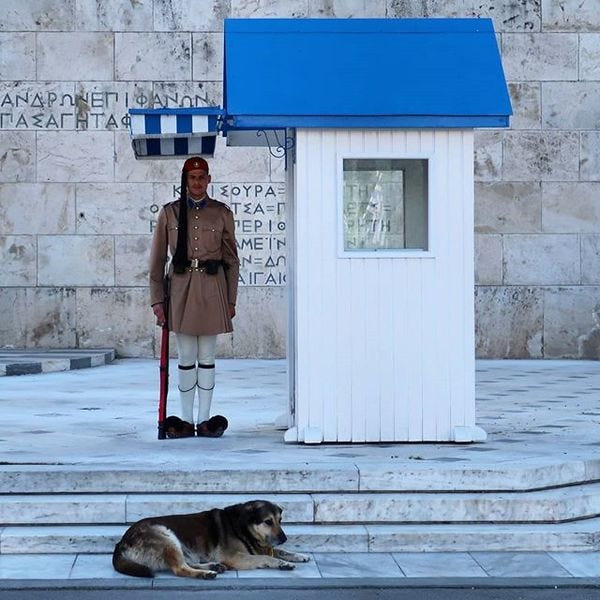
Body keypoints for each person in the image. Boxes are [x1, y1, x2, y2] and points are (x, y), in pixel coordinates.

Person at [149, 156, 239, 438]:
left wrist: (231, 299)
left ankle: (204, 418)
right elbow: (156, 261)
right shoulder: (170, 213)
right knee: (186, 356)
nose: (197, 183)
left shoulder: (221, 213)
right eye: (192, 178)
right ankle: (186, 418)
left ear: (209, 180)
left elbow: (231, 260)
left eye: (202, 178)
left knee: (208, 356)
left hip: (212, 289)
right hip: (181, 288)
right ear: (185, 181)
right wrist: (157, 301)